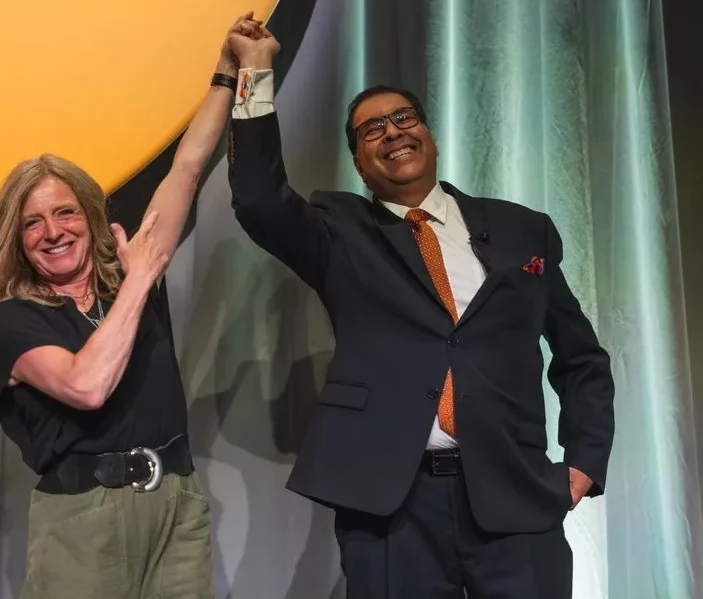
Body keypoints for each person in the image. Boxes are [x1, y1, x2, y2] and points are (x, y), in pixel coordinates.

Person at [226, 27, 615, 599]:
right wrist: (254, 71)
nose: (392, 133)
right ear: (358, 160)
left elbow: (580, 356)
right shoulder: (340, 232)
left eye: (405, 119)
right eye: (371, 130)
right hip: (392, 507)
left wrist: (584, 461)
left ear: (430, 137)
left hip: (515, 493)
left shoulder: (521, 228)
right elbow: (258, 197)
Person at [0, 13, 264, 598]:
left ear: (89, 217)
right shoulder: (13, 320)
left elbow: (186, 166)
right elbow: (87, 387)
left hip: (175, 507)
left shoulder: (126, 277)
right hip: (83, 519)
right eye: (33, 223)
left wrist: (226, 75)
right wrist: (140, 281)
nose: (53, 231)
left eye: (65, 212)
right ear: (16, 239)